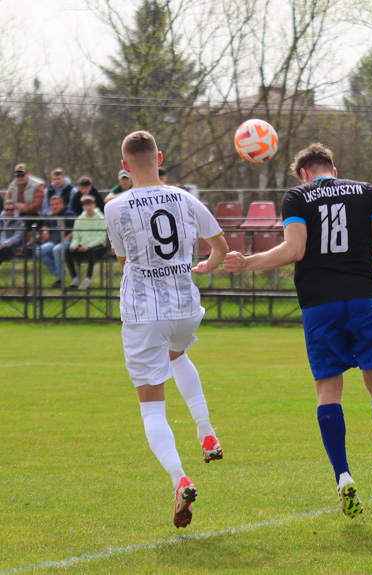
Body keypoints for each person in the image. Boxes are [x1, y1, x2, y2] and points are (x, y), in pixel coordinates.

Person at [223, 143, 372, 518]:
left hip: (320, 304)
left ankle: (343, 476)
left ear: (304, 172)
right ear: (333, 169)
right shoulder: (366, 191)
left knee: (328, 389)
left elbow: (294, 250)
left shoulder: (297, 196)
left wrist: (248, 261)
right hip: (363, 299)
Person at [104, 130, 228, 529]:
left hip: (145, 312)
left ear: (125, 167)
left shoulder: (115, 207)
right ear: (160, 157)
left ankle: (180, 479)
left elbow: (124, 260)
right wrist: (207, 265)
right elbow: (219, 246)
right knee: (178, 356)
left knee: (152, 407)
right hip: (185, 306)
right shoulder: (185, 197)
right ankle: (207, 432)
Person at [65, 195, 107, 290]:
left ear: (94, 205)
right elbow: (76, 236)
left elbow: (102, 237)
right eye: (85, 205)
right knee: (67, 252)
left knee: (92, 252)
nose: (88, 208)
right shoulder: (79, 220)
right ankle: (75, 278)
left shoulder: (101, 219)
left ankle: (88, 278)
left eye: (90, 205)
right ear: (83, 206)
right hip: (83, 247)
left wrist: (88, 246)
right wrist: (74, 245)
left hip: (98, 246)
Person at [39, 194, 76, 288]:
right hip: (54, 241)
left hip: (68, 241)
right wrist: (45, 230)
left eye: (56, 204)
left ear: (62, 204)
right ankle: (59, 273)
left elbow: (77, 228)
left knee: (57, 249)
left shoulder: (69, 214)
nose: (54, 207)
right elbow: (44, 225)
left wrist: (68, 237)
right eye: (52, 205)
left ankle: (59, 280)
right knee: (39, 251)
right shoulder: (50, 215)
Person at [6, 163, 46, 229]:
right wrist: (15, 208)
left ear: (28, 174)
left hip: (35, 213)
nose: (20, 178)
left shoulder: (38, 185)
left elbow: (39, 204)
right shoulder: (12, 186)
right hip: (16, 213)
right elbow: (7, 201)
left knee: (26, 220)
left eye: (22, 175)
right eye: (17, 176)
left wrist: (26, 208)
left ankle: (28, 238)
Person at [0, 199, 25, 266]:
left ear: (14, 210)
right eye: (7, 210)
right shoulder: (1, 220)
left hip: (12, 247)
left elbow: (16, 238)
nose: (9, 212)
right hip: (1, 245)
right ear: (3, 210)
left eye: (11, 209)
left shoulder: (20, 222)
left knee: (2, 252)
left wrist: (3, 244)